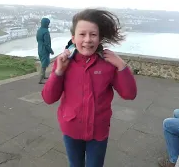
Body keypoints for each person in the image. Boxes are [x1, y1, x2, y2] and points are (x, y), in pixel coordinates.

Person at [41, 9, 137, 167]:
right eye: (82, 34)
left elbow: (129, 94)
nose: (87, 40)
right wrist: (58, 71)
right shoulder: (64, 62)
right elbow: (48, 98)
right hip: (71, 129)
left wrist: (121, 65)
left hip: (98, 132)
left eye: (93, 34)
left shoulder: (108, 64)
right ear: (73, 38)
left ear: (99, 38)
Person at [36, 17, 54, 84]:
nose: (48, 24)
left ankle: (43, 76)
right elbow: (47, 44)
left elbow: (38, 40)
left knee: (43, 62)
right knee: (44, 65)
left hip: (39, 48)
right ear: (46, 23)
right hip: (44, 50)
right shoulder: (46, 32)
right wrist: (51, 51)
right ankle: (40, 80)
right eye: (48, 23)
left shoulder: (39, 30)